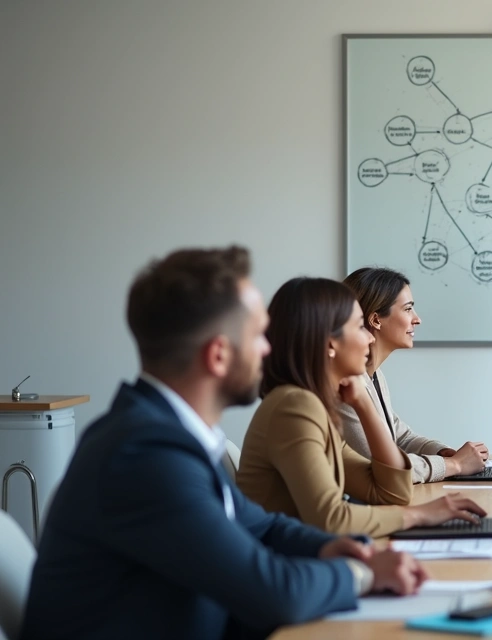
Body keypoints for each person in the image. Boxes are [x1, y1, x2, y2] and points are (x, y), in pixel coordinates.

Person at [23, 247, 428, 640]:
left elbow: (262, 525)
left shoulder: (167, 433)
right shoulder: (144, 454)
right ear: (218, 355)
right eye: (257, 335)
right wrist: (364, 573)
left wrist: (351, 550)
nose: (269, 348)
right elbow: (274, 593)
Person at [236, 277, 486, 538]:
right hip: (287, 560)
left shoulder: (314, 406)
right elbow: (331, 519)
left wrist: (363, 403)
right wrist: (421, 514)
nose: (369, 337)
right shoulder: (294, 407)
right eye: (359, 326)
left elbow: (391, 491)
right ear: (330, 344)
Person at [337, 267, 489, 482]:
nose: (417, 319)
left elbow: (399, 437)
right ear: (376, 320)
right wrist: (454, 465)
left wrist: (444, 452)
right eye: (408, 309)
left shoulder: (375, 375)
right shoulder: (346, 385)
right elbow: (382, 466)